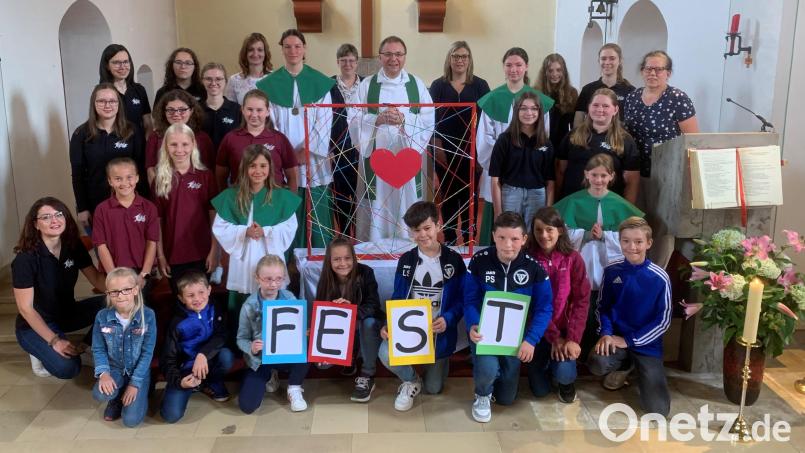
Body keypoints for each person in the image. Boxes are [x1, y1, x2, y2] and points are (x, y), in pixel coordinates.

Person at [464, 211, 553, 423]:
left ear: (524, 239)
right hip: (485, 333)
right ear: (493, 236)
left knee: (506, 398)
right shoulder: (479, 261)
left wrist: (531, 340)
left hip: (515, 338)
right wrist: (473, 324)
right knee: (487, 368)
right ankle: (482, 394)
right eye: (502, 238)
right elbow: (469, 300)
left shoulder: (534, 268)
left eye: (514, 239)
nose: (508, 245)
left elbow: (545, 308)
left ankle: (494, 377)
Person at [377, 201, 466, 411]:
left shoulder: (453, 261)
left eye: (427, 228)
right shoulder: (406, 260)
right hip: (410, 328)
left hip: (438, 331)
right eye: (417, 231)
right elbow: (398, 296)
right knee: (385, 353)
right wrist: (389, 323)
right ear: (411, 232)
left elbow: (463, 299)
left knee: (434, 388)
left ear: (438, 226)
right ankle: (411, 380)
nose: (423, 235)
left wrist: (449, 318)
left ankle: (437, 364)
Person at [257, 29, 334, 249]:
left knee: (316, 213)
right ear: (281, 49)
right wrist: (286, 154)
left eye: (297, 46)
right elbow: (268, 123)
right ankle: (285, 265)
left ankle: (319, 261)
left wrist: (307, 150)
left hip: (313, 161)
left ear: (305, 49)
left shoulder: (319, 83)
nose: (293, 51)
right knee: (284, 210)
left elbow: (324, 121)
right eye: (288, 46)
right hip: (280, 160)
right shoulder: (268, 84)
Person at [13, 197, 106, 379]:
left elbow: (96, 280)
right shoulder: (25, 259)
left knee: (111, 303)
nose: (54, 220)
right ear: (36, 224)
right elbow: (26, 309)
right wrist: (54, 340)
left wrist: (124, 289)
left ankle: (86, 347)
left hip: (66, 314)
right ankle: (38, 350)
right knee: (68, 368)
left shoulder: (73, 245)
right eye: (46, 217)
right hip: (34, 323)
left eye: (58, 214)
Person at [587, 217, 672, 417]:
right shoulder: (612, 271)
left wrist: (630, 340)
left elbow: (663, 320)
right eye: (625, 241)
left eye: (638, 242)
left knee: (658, 410)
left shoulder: (659, 277)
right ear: (619, 241)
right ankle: (624, 365)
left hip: (645, 345)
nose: (631, 247)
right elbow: (602, 307)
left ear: (649, 243)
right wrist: (606, 333)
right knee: (597, 363)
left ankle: (639, 368)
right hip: (616, 339)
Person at [356, 35, 435, 242]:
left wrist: (404, 120)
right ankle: (375, 240)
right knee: (378, 200)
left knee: (406, 197)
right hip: (377, 158)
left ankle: (408, 240)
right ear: (380, 57)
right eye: (388, 54)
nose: (394, 59)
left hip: (406, 158)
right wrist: (377, 119)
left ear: (405, 57)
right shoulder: (367, 85)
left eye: (398, 54)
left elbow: (428, 120)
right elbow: (353, 118)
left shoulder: (416, 85)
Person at [211, 144, 301, 323]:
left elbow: (290, 227)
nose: (258, 171)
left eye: (262, 165)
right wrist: (244, 231)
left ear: (270, 168)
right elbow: (220, 227)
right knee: (243, 304)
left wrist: (266, 231)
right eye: (252, 166)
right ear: (244, 168)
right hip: (243, 260)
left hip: (270, 254)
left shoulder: (281, 196)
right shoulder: (231, 195)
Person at [476, 48, 554, 244]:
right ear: (503, 67)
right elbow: (484, 139)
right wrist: (504, 161)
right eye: (509, 65)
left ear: (526, 67)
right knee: (504, 219)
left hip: (531, 174)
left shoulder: (538, 101)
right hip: (500, 172)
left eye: (519, 65)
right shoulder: (492, 99)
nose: (514, 69)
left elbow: (543, 135)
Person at [429, 41, 490, 245]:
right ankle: (449, 237)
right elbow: (431, 119)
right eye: (456, 56)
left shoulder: (480, 86)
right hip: (444, 149)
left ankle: (468, 236)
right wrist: (436, 145)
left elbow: (486, 121)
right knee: (447, 194)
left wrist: (481, 152)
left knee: (469, 195)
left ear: (469, 60)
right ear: (449, 59)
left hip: (472, 149)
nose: (460, 60)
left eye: (464, 56)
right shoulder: (438, 86)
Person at [526, 207, 590, 403]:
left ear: (560, 230)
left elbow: (581, 300)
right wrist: (553, 338)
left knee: (564, 373)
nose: (543, 235)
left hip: (564, 331)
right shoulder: (527, 258)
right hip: (537, 330)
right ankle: (545, 366)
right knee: (539, 391)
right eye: (538, 230)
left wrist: (572, 338)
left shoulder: (573, 258)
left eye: (549, 230)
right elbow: (532, 304)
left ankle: (564, 380)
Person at [554, 154, 643, 290]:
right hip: (582, 254)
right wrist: (586, 235)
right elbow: (561, 234)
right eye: (594, 175)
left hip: (608, 258)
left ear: (611, 176)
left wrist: (604, 236)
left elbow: (630, 237)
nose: (598, 180)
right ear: (586, 174)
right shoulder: (573, 201)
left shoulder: (619, 203)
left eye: (603, 175)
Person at [237, 255, 310, 414]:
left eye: (278, 279)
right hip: (261, 359)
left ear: (284, 278)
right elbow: (240, 338)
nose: (273, 284)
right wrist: (251, 347)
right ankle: (270, 375)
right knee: (247, 406)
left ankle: (294, 387)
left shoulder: (289, 297)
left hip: (285, 354)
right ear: (257, 278)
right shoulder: (249, 305)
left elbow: (297, 326)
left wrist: (302, 333)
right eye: (268, 279)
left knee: (308, 345)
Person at [315, 236, 383, 403]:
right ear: (329, 261)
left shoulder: (366, 272)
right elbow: (321, 313)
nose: (343, 263)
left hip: (366, 322)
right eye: (337, 259)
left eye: (347, 258)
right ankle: (349, 357)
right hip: (344, 326)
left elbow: (373, 306)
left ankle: (367, 374)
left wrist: (350, 310)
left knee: (368, 323)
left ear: (354, 258)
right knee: (322, 364)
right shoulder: (325, 278)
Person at [70, 83, 145, 232]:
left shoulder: (132, 131)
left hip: (129, 203)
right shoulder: (81, 134)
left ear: (119, 104)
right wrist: (82, 208)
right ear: (94, 104)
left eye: (112, 101)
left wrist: (143, 202)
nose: (107, 105)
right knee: (104, 252)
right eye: (101, 101)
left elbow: (140, 167)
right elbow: (77, 174)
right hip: (95, 204)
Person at [153, 123, 218, 294]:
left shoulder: (206, 176)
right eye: (173, 144)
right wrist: (160, 256)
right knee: (180, 301)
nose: (179, 150)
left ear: (193, 145)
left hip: (202, 253)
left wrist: (214, 250)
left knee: (201, 300)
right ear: (166, 146)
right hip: (173, 253)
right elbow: (156, 222)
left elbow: (214, 218)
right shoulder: (159, 180)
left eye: (185, 144)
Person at [160, 271, 234, 423]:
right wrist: (179, 381)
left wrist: (203, 355)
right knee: (171, 416)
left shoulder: (215, 307)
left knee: (226, 355)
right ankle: (191, 386)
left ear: (209, 290)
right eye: (190, 295)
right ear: (181, 298)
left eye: (201, 292)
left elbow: (222, 335)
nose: (198, 299)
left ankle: (211, 382)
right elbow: (167, 359)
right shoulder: (177, 323)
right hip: (185, 370)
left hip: (208, 362)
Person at [91, 267, 156, 427]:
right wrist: (104, 374)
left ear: (135, 290)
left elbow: (147, 353)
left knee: (131, 421)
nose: (120, 296)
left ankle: (141, 390)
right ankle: (116, 398)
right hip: (115, 369)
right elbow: (98, 348)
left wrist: (135, 384)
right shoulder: (102, 317)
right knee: (99, 393)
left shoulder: (147, 315)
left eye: (126, 290)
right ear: (108, 294)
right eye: (114, 292)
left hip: (138, 371)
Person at [557, 88, 640, 203]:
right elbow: (560, 171)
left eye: (605, 106)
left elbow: (631, 182)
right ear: (589, 107)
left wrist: (627, 214)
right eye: (595, 105)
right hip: (573, 204)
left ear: (615, 109)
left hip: (608, 207)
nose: (600, 109)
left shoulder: (625, 140)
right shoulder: (573, 136)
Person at [623, 50, 698, 177]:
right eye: (648, 69)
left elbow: (693, 139)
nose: (652, 73)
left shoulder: (678, 98)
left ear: (668, 73)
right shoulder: (632, 97)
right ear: (642, 71)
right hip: (635, 168)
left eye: (658, 69)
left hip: (667, 170)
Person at [489, 92, 555, 230]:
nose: (528, 112)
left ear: (539, 112)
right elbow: (495, 180)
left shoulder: (546, 143)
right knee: (510, 231)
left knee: (534, 234)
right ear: (516, 111)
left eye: (534, 108)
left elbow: (550, 182)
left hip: (537, 194)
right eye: (523, 108)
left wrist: (548, 210)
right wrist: (498, 212)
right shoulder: (504, 140)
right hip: (510, 193)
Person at [92, 158, 159, 287]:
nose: (124, 183)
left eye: (129, 177)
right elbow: (101, 245)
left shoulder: (149, 207)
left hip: (141, 272)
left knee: (142, 306)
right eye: (118, 179)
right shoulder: (101, 210)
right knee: (120, 307)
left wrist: (144, 274)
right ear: (110, 181)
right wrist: (113, 275)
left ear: (137, 178)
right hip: (115, 271)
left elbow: (152, 242)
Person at [215, 89, 298, 192]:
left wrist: (289, 204)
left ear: (267, 111)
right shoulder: (230, 138)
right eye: (250, 109)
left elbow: (292, 175)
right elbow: (220, 175)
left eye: (259, 110)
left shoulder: (279, 139)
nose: (254, 115)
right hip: (240, 200)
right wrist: (226, 202)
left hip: (274, 200)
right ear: (242, 110)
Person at [328, 43, 363, 236]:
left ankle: (358, 234)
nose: (347, 64)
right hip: (337, 148)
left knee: (360, 193)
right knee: (340, 193)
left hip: (361, 148)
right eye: (343, 61)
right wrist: (329, 149)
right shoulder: (329, 85)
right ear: (338, 62)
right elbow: (325, 120)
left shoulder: (366, 84)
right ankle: (343, 233)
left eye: (351, 60)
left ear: (357, 63)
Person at [146, 89, 215, 184]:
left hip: (197, 190)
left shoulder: (203, 138)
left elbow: (209, 170)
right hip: (164, 191)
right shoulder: (155, 137)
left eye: (182, 110)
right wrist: (158, 192)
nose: (176, 114)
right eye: (170, 110)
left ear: (191, 111)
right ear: (164, 112)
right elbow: (151, 170)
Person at [98, 44, 152, 140]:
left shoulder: (139, 90)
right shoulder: (101, 93)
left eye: (126, 62)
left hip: (139, 146)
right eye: (116, 63)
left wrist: (146, 145)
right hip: (115, 146)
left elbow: (148, 124)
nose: (122, 67)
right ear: (107, 66)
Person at [574, 43, 635, 128]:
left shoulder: (630, 91)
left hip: (619, 139)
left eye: (612, 58)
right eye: (603, 58)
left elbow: (633, 122)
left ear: (620, 61)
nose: (607, 62)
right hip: (591, 139)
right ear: (599, 60)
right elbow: (578, 121)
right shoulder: (588, 89)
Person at [534, 53, 578, 149]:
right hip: (540, 141)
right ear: (545, 72)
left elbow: (574, 123)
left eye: (558, 70)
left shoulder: (572, 93)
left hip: (563, 142)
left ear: (564, 71)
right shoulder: (535, 92)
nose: (554, 74)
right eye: (550, 70)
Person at [201, 62, 242, 151]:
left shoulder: (237, 110)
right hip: (201, 163)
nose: (213, 83)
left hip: (229, 163)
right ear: (202, 81)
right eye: (208, 79)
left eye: (218, 79)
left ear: (225, 81)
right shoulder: (195, 110)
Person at [226, 32, 273, 105]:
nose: (255, 54)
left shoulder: (274, 78)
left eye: (260, 50)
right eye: (251, 50)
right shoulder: (234, 81)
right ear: (245, 53)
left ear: (265, 53)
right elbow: (231, 110)